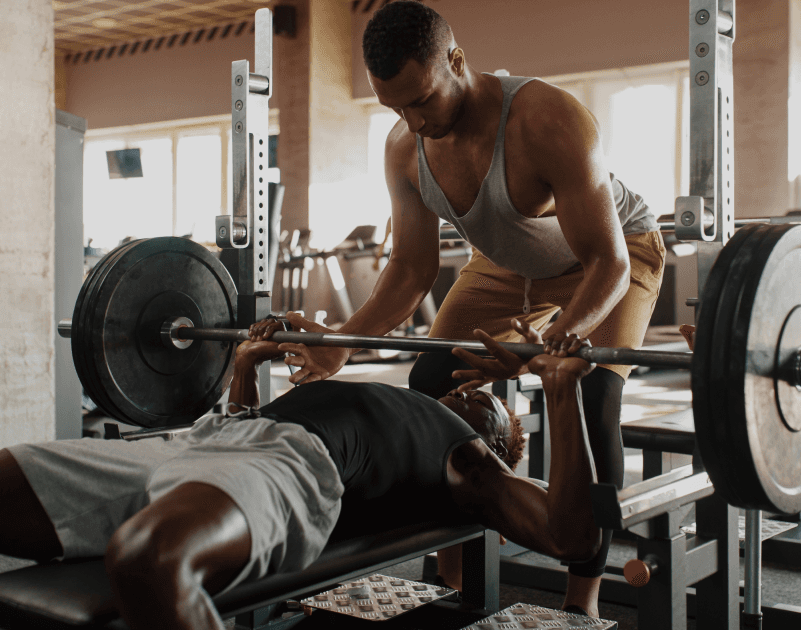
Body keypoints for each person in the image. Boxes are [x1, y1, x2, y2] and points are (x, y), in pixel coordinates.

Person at [273, 1, 665, 615]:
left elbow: (607, 262)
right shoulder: (405, 145)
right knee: (433, 379)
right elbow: (411, 268)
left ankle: (581, 599)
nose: (411, 118)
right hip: (507, 263)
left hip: (613, 255)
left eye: (422, 99)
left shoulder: (547, 118)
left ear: (456, 60)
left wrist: (554, 343)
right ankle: (457, 572)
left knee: (589, 400)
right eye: (395, 106)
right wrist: (342, 343)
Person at [0, 313, 601, 630]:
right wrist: (244, 367)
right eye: (477, 390)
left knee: (152, 559)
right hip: (200, 443)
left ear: (506, 445)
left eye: (499, 408)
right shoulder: (407, 402)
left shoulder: (473, 464)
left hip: (294, 467)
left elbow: (570, 533)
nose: (482, 394)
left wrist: (561, 394)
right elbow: (237, 426)